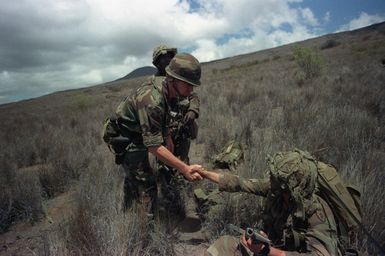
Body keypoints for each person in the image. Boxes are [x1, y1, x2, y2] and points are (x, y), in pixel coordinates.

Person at [102, 53, 203, 215]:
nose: (191, 89)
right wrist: (184, 168)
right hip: (126, 137)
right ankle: (143, 227)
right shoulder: (152, 100)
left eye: (193, 85)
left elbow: (164, 116)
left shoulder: (169, 88)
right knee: (146, 185)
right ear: (172, 78)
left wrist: (167, 134)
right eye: (188, 84)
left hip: (140, 133)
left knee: (135, 178)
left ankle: (129, 205)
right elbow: (154, 146)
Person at [198, 150, 345, 256]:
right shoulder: (278, 189)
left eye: (278, 183)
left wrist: (268, 251)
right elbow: (241, 183)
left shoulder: (317, 212)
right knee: (225, 245)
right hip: (271, 249)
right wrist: (205, 173)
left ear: (293, 190)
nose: (272, 184)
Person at [151, 45, 201, 225]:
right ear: (156, 62)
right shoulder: (156, 86)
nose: (166, 60)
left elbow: (194, 96)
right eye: (162, 58)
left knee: (183, 160)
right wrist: (165, 134)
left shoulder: (182, 77)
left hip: (183, 128)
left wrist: (193, 111)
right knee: (165, 167)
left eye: (169, 57)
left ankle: (182, 184)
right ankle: (170, 200)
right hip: (166, 134)